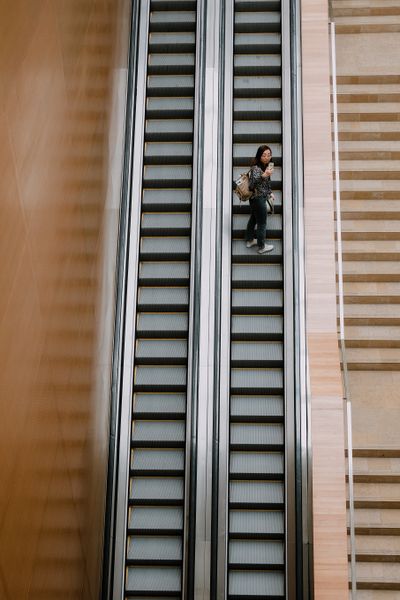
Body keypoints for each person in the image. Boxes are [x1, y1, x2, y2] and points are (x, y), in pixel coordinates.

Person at [245, 145, 275, 254]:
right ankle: (262, 246)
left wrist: (270, 192)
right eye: (264, 155)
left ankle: (249, 240)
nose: (267, 157)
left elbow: (266, 184)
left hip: (258, 198)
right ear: (259, 156)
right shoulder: (256, 168)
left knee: (253, 218)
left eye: (269, 155)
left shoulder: (265, 167)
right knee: (262, 223)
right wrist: (264, 175)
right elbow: (252, 185)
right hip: (257, 199)